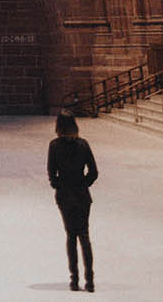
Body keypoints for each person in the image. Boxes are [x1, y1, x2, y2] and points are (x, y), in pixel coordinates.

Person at [47, 111, 98, 292]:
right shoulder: (83, 144)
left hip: (65, 196)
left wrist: (59, 185)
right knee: (84, 236)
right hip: (82, 195)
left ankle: (74, 280)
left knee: (71, 236)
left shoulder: (54, 145)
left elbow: (51, 173)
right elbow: (94, 172)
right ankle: (90, 281)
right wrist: (83, 184)